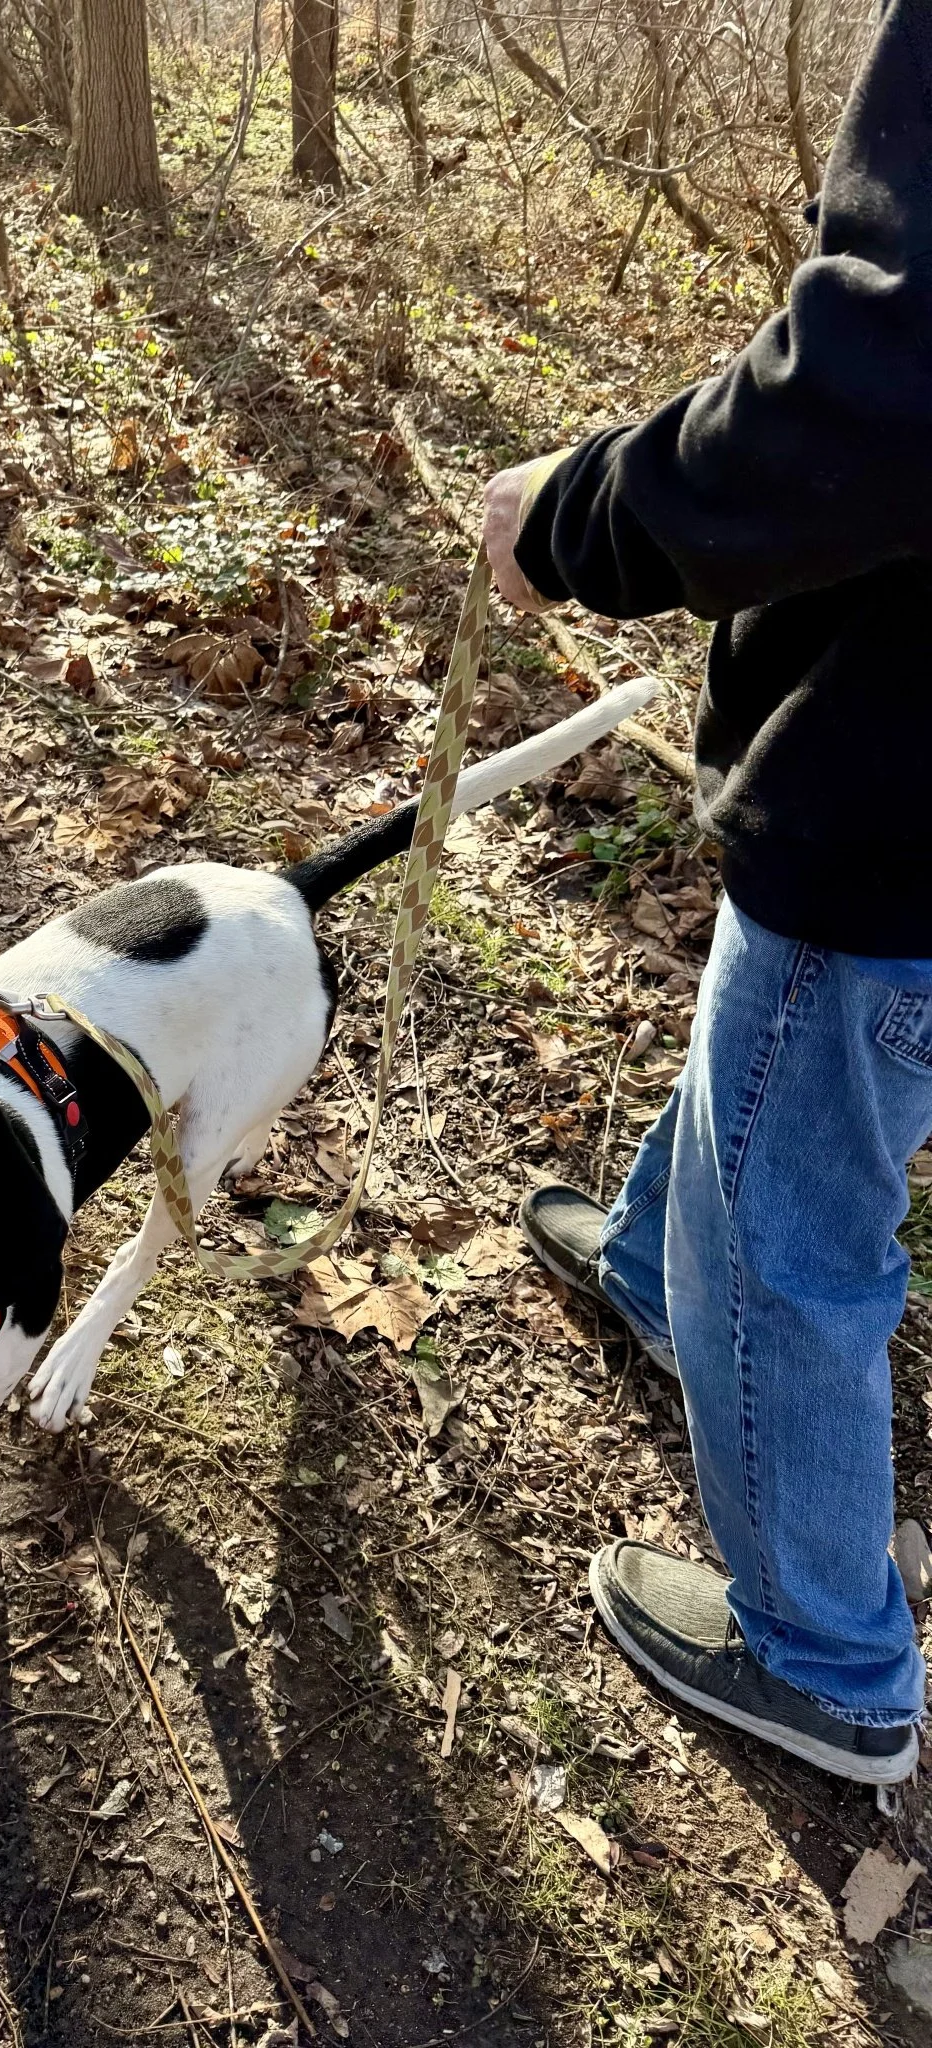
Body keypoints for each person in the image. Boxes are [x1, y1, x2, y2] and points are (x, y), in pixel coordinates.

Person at [481, 0, 931, 1783]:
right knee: (771, 1064)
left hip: (896, 795)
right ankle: (665, 1279)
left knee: (797, 1222)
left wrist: (576, 511)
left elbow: (875, 393)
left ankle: (828, 1659)